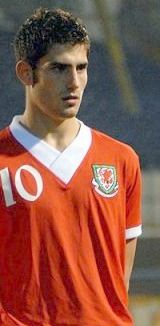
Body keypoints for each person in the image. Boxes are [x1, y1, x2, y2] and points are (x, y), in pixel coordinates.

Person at [0, 7, 142, 326]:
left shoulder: (121, 160)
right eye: (59, 68)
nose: (74, 82)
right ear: (26, 73)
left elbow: (118, 284)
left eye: (82, 67)